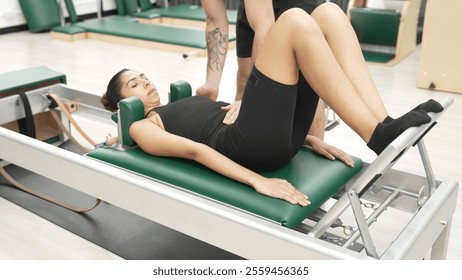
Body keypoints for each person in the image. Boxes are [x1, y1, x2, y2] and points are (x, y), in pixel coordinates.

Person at [101, 8, 442, 208]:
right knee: (293, 19)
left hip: (273, 136)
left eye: (143, 76)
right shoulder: (142, 127)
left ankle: (382, 123)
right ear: (123, 103)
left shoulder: (180, 103)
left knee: (328, 13)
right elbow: (195, 152)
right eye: (134, 84)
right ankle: (376, 134)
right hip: (248, 148)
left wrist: (310, 140)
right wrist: (257, 183)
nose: (145, 82)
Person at [197, 0, 326, 139]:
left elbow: (265, 27)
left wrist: (254, 99)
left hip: (298, 6)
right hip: (252, 8)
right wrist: (211, 85)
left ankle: (310, 153)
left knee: (305, 96)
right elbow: (215, 21)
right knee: (243, 86)